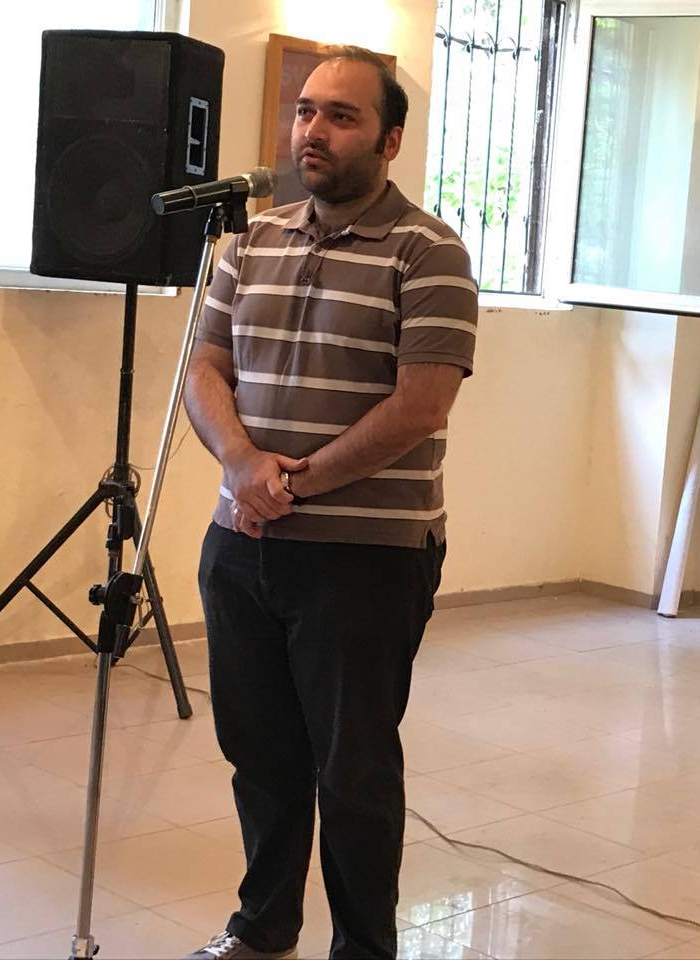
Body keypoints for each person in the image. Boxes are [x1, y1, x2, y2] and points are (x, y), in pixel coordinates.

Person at [181, 45, 477, 960]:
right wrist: (242, 465)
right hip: (242, 543)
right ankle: (263, 927)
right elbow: (204, 369)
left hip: (365, 556)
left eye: (341, 116)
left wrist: (291, 482)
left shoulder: (429, 252)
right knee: (260, 756)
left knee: (353, 769)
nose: (313, 129)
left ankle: (364, 947)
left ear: (390, 140)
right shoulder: (250, 242)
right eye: (307, 110)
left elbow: (421, 406)